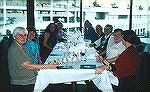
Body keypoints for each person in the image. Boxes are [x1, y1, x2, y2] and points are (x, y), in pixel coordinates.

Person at [7, 27, 59, 92]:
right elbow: (28, 66)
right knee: (53, 86)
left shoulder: (22, 47)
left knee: (53, 81)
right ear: (14, 37)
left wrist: (47, 65)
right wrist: (49, 66)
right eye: (20, 35)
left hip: (31, 77)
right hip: (24, 83)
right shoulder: (14, 50)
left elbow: (34, 60)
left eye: (25, 35)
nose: (23, 37)